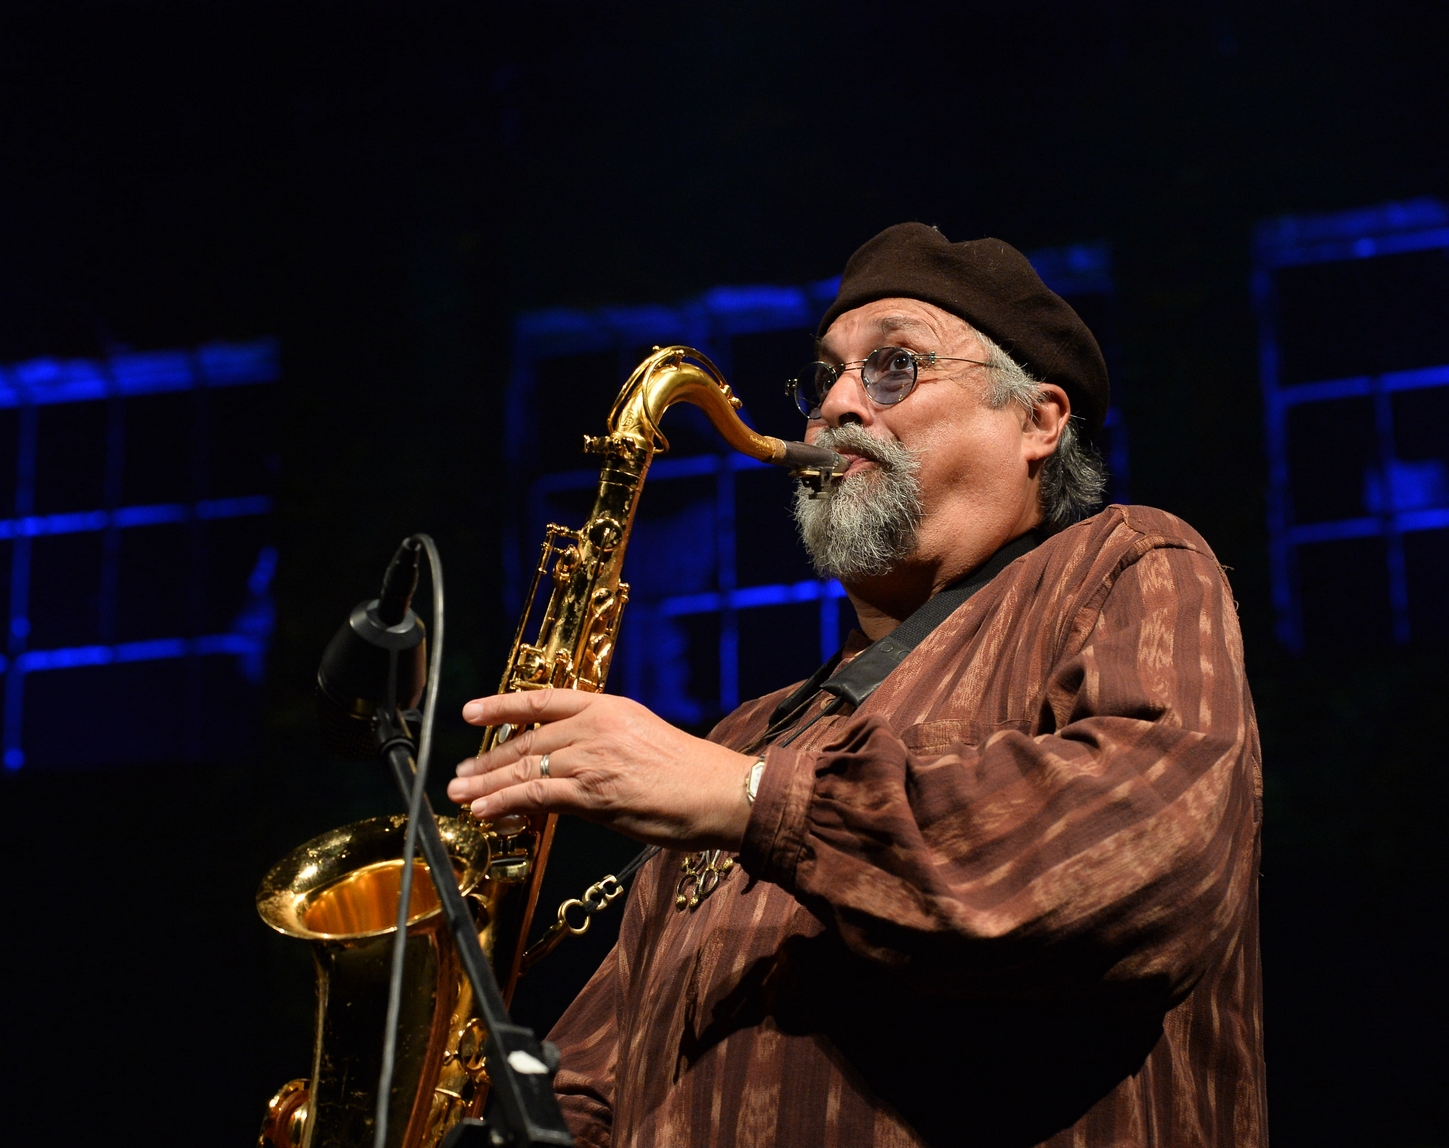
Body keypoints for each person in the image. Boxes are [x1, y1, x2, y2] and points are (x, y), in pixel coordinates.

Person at [447, 223, 1266, 1147]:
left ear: (1037, 421)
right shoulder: (744, 733)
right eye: (826, 376)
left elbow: (1138, 856)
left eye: (893, 367)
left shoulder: (1125, 564)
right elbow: (607, 1078)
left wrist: (749, 798)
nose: (835, 404)